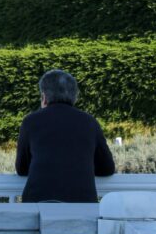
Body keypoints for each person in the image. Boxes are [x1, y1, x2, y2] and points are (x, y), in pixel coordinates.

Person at [15, 68, 115, 202]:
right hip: (81, 205)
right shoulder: (89, 122)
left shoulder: (30, 122)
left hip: (39, 204)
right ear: (75, 97)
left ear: (44, 97)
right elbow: (107, 168)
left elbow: (22, 168)